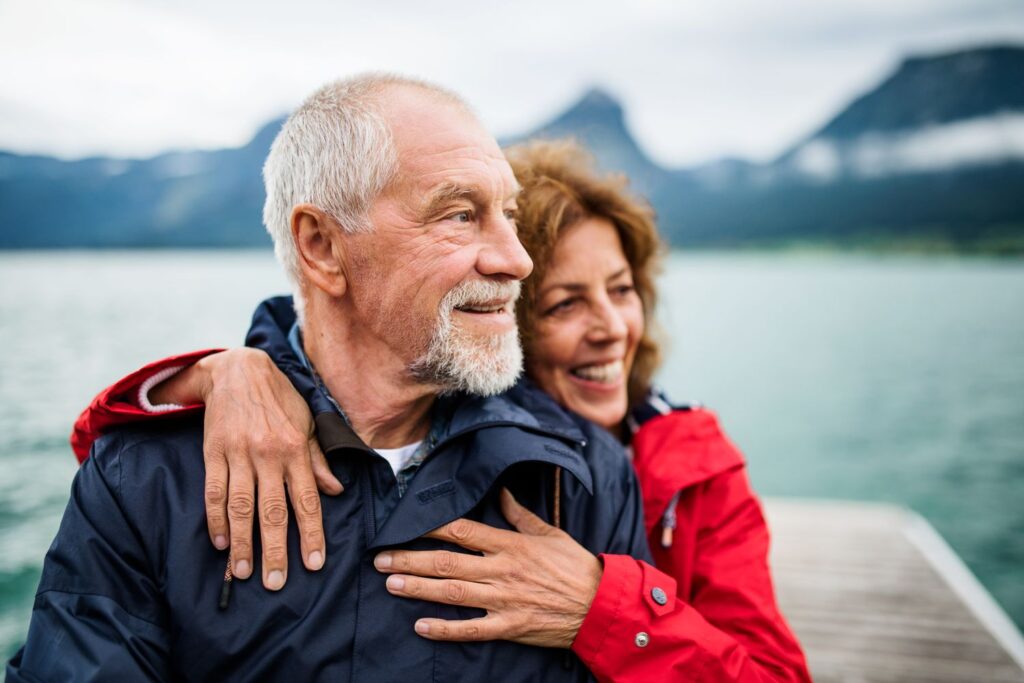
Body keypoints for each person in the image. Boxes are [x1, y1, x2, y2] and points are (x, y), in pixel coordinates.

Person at [62, 139, 812, 681]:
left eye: (622, 290)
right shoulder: (385, 429)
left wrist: (602, 607)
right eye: (564, 303)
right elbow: (116, 466)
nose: (612, 325)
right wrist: (218, 374)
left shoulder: (685, 467)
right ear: (493, 313)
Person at [7, 75, 653, 682]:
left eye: (508, 214)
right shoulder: (145, 480)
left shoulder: (583, 475)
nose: (517, 258)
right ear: (321, 246)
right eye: (460, 214)